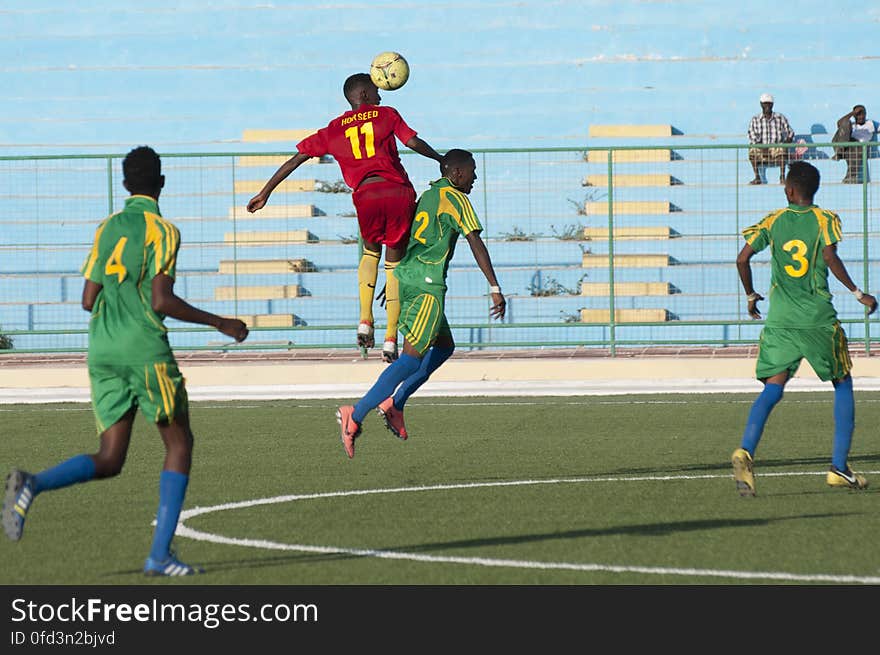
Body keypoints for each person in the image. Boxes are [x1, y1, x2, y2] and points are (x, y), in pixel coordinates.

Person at [1, 146, 249, 576]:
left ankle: (33, 483)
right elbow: (161, 299)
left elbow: (87, 298)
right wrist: (221, 322)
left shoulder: (107, 227)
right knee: (179, 444)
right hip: (142, 350)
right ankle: (160, 555)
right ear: (162, 182)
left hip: (101, 349)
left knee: (111, 458)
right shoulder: (163, 229)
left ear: (124, 184)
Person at [246, 73, 443, 363]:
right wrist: (440, 158)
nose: (381, 95)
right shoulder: (387, 115)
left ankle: (365, 320)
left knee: (370, 253)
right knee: (395, 264)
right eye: (376, 90)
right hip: (396, 191)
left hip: (365, 195)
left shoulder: (334, 128)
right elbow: (412, 142)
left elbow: (296, 158)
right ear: (363, 95)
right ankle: (391, 338)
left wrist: (265, 192)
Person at [336, 149, 505, 458]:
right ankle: (355, 415)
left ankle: (395, 405)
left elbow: (406, 238)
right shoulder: (457, 200)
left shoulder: (427, 196)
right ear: (456, 174)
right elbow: (475, 241)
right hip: (428, 286)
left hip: (409, 278)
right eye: (472, 171)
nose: (475, 177)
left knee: (444, 347)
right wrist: (494, 286)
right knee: (412, 359)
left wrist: (395, 280)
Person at [731, 160, 876, 497]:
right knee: (842, 382)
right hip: (816, 320)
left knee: (773, 387)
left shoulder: (774, 220)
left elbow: (741, 259)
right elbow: (829, 257)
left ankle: (746, 451)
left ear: (790, 190)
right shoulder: (825, 219)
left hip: (781, 320)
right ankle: (839, 468)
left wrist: (751, 295)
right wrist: (859, 293)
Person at [748, 93, 795, 185]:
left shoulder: (780, 117)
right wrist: (761, 146)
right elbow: (751, 134)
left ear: (772, 104)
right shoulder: (755, 119)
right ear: (761, 104)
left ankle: (782, 177)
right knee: (752, 149)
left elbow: (790, 132)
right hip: (761, 147)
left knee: (782, 149)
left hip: (776, 148)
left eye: (769, 103)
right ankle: (757, 177)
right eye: (765, 103)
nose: (767, 106)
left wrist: (786, 142)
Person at [832, 104, 877, 183]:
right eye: (859, 114)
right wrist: (852, 113)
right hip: (844, 145)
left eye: (863, 114)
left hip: (858, 148)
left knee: (859, 147)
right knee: (846, 123)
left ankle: (850, 177)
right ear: (854, 116)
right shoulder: (851, 124)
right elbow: (839, 124)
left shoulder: (871, 123)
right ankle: (839, 152)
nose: (861, 116)